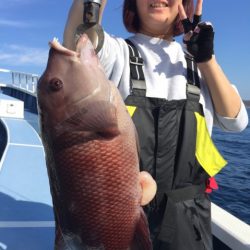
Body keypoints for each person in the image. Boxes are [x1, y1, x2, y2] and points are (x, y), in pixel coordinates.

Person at [63, 0, 249, 249]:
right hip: (122, 212)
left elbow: (235, 121)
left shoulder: (198, 63)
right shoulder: (117, 52)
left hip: (189, 222)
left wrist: (206, 59)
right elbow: (78, 42)